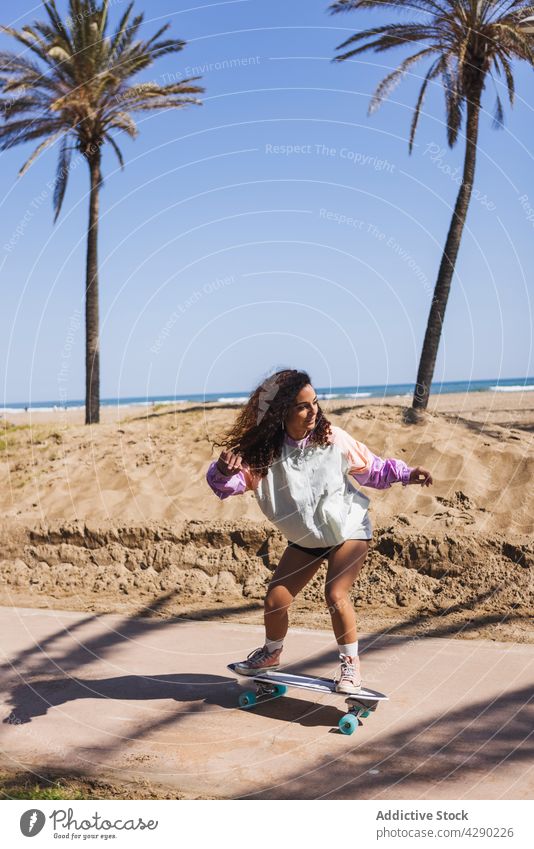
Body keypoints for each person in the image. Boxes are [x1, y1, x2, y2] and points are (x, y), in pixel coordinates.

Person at [206, 369, 433, 694]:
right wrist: (223, 469)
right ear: (281, 411)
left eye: (314, 402)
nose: (313, 410)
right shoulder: (260, 456)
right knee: (275, 600)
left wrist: (407, 474)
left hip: (349, 530)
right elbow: (227, 486)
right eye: (302, 406)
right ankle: (271, 655)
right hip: (308, 539)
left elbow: (373, 470)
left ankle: (351, 667)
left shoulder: (333, 440)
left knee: (335, 594)